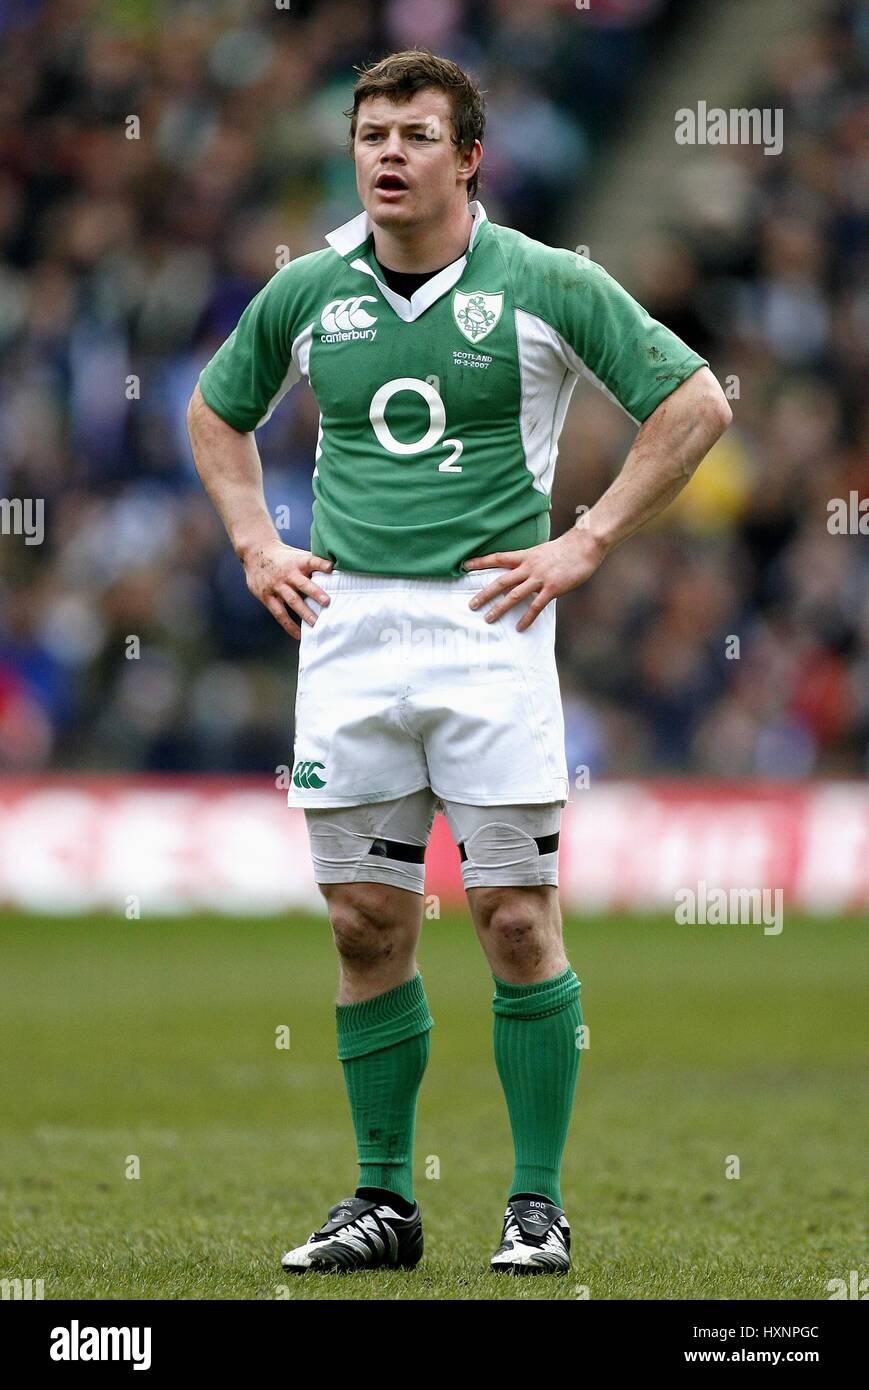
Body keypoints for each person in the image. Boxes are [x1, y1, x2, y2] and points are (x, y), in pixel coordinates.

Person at [187, 48, 731, 1276]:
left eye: (414, 135)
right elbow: (217, 411)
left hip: (490, 631)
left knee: (514, 919)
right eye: (370, 133)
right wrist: (253, 540)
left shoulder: (544, 280)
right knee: (366, 920)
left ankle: (534, 1204)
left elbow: (694, 402)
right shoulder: (311, 287)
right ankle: (383, 1202)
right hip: (347, 635)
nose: (386, 153)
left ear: (468, 156)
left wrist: (585, 538)